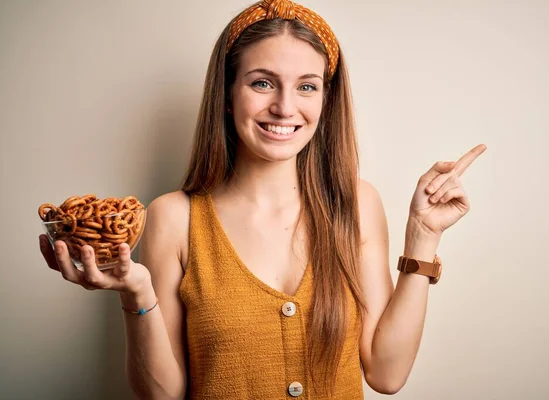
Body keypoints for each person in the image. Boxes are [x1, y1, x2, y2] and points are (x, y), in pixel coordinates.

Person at [39, 0, 486, 398]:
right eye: (262, 83)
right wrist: (136, 293)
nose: (286, 107)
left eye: (307, 87)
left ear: (326, 102)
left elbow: (387, 374)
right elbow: (164, 394)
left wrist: (423, 238)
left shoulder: (357, 204)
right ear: (228, 96)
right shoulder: (173, 216)